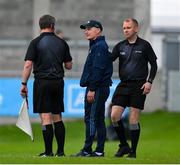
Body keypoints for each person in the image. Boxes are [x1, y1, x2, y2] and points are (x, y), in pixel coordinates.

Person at [20, 14, 72, 157]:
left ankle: (48, 152)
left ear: (40, 26)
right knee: (57, 117)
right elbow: (69, 65)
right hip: (57, 82)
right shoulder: (62, 43)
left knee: (45, 117)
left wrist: (23, 83)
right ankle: (60, 152)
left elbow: (28, 65)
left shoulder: (35, 42)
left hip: (42, 82)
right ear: (52, 26)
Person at [111, 18, 158, 158]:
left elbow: (154, 65)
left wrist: (149, 81)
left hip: (139, 85)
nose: (126, 30)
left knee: (133, 119)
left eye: (129, 27)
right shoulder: (119, 46)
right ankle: (124, 145)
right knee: (114, 116)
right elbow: (109, 61)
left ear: (136, 29)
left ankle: (133, 151)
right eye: (124, 28)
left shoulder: (145, 45)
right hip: (124, 84)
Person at [73, 20, 113, 157]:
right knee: (98, 119)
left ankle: (87, 149)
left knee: (91, 118)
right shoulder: (96, 45)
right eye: (85, 29)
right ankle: (99, 150)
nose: (86, 31)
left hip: (97, 88)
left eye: (89, 28)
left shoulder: (99, 46)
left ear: (98, 30)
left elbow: (98, 69)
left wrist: (92, 89)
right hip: (100, 87)